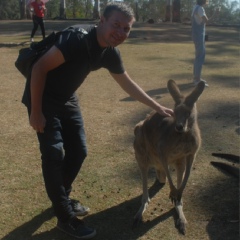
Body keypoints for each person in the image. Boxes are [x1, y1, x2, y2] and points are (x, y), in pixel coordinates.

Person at [21, 2, 173, 239]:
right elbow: (39, 69)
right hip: (43, 96)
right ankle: (65, 217)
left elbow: (127, 84)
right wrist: (36, 112)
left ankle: (62, 198)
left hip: (67, 97)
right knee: (53, 154)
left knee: (79, 151)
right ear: (102, 21)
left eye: (126, 29)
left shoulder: (110, 51)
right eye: (116, 25)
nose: (120, 32)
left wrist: (157, 106)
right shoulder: (76, 39)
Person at [191, 0, 219, 86]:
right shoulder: (200, 9)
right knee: (200, 57)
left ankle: (196, 77)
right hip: (199, 36)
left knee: (198, 57)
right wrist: (216, 14)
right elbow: (207, 21)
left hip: (197, 35)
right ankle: (197, 80)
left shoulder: (195, 7)